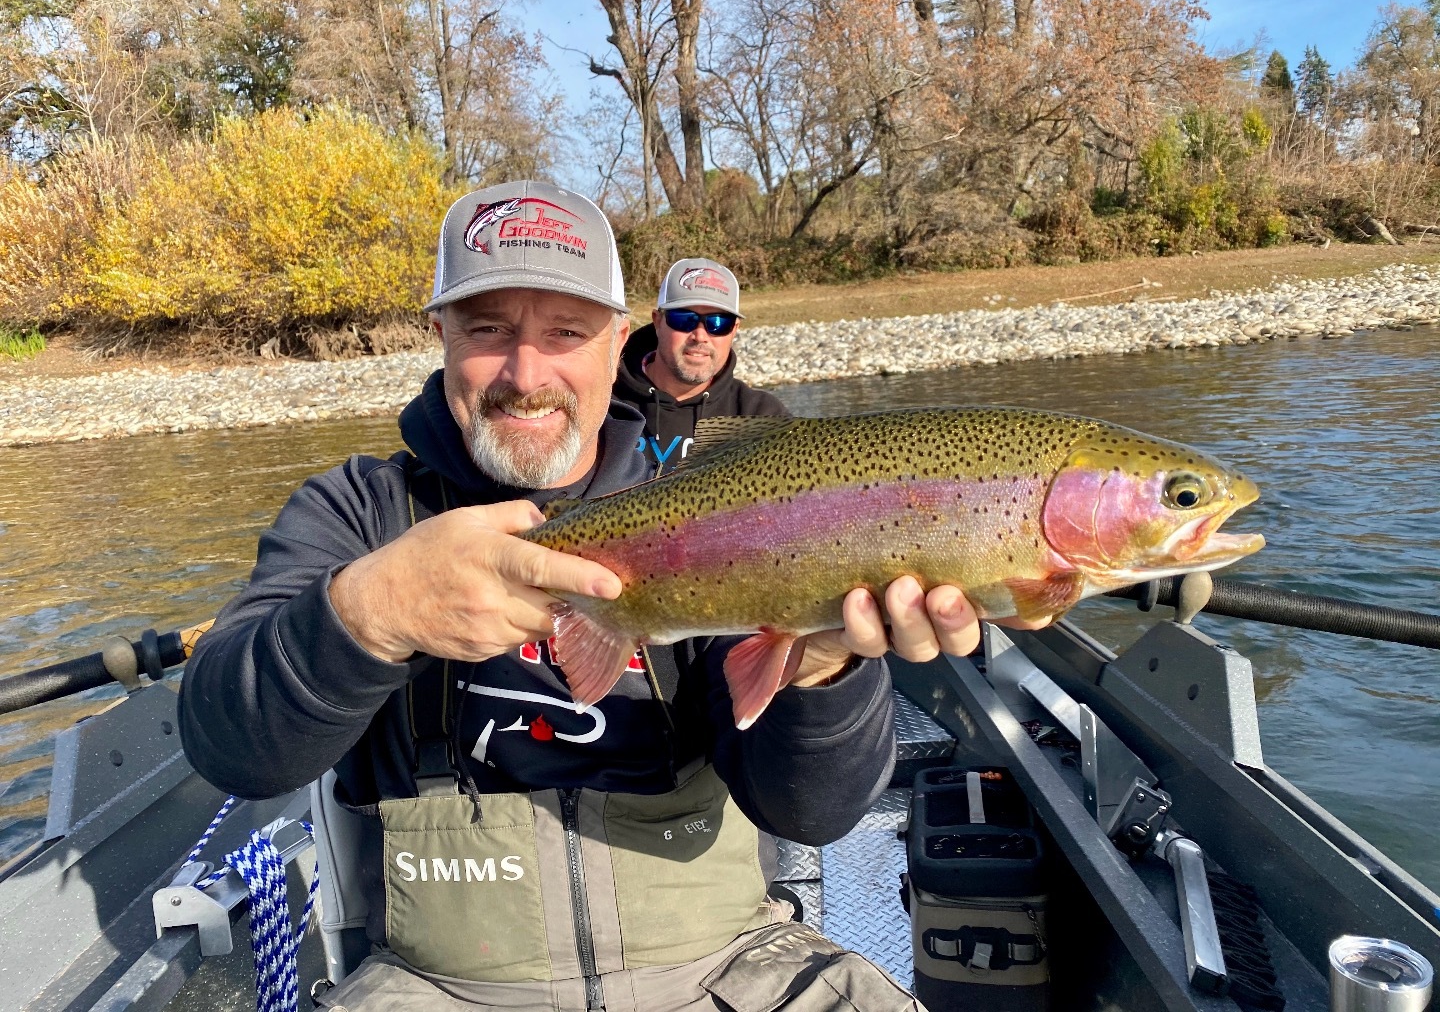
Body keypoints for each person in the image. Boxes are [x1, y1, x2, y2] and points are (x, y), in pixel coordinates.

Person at [179, 180, 984, 1012]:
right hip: (441, 985)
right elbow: (230, 750)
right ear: (441, 336)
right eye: (489, 328)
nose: (526, 374)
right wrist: (369, 613)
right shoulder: (356, 511)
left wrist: (819, 669)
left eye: (566, 332)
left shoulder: (722, 512)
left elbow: (809, 816)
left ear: (615, 347)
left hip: (725, 967)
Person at [614, 257, 787, 474]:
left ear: (734, 329)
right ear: (658, 321)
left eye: (718, 323)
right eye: (684, 319)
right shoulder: (603, 401)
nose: (700, 336)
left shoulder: (762, 416)